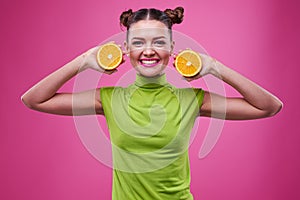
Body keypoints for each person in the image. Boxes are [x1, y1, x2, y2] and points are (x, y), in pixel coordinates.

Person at [21, 6, 282, 200]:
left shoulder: (192, 100)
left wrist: (215, 67)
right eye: (138, 42)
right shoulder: (109, 98)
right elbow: (33, 100)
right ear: (126, 49)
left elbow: (269, 107)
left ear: (172, 48)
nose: (148, 50)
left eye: (159, 42)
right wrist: (84, 60)